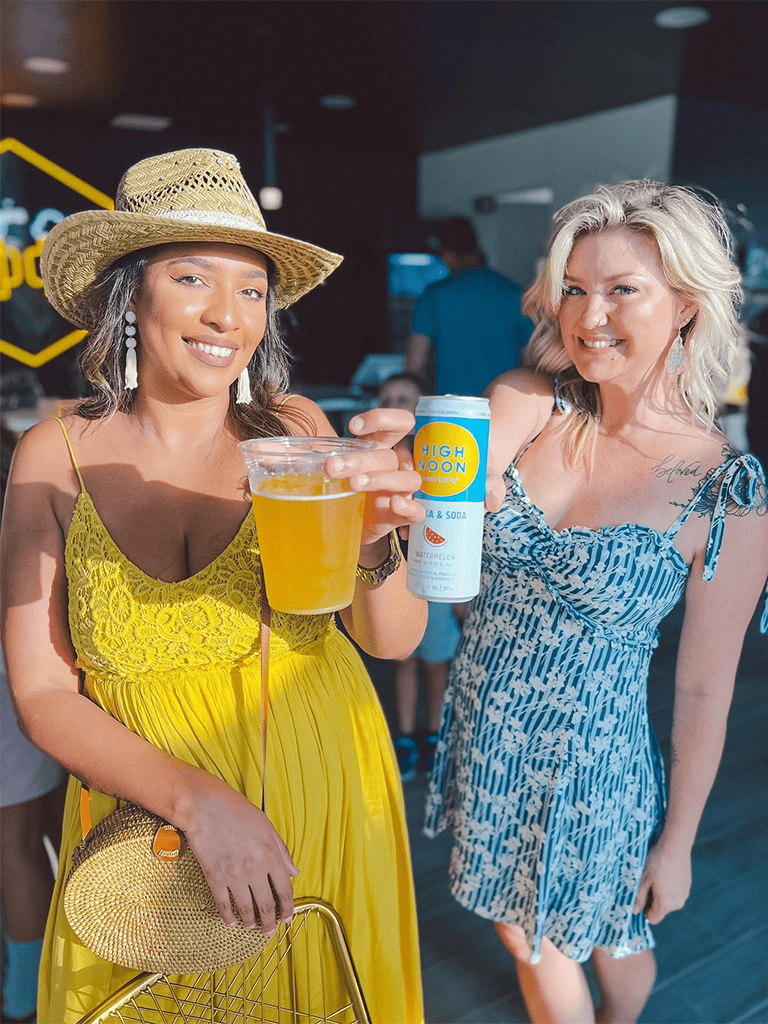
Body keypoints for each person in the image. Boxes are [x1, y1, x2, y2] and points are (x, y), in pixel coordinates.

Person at [0, 148, 427, 1024]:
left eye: (252, 289)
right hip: (144, 835)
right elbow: (41, 693)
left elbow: (393, 639)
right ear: (130, 294)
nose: (227, 314)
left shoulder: (295, 432)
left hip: (318, 795)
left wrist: (377, 540)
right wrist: (198, 803)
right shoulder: (53, 455)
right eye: (192, 276)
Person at [424, 180, 768, 1024]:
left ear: (686, 304)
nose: (589, 316)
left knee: (577, 933)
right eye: (574, 289)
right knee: (563, 930)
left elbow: (703, 689)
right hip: (487, 727)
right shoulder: (529, 405)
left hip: (592, 764)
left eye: (623, 290)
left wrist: (677, 844)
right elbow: (438, 502)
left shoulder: (725, 490)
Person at [1, 426, 67, 1024]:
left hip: (14, 679)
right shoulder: (25, 457)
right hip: (30, 670)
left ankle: (26, 994)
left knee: (20, 841)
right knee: (35, 834)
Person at [376, 373, 461, 781]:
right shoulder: (375, 460)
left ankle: (434, 734)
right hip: (397, 575)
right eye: (387, 398)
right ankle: (407, 737)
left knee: (436, 663)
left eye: (404, 399)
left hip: (437, 578)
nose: (395, 405)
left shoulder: (437, 461)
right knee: (405, 662)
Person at [405, 216, 531, 397]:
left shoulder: (434, 296)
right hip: (502, 402)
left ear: (447, 254)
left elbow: (414, 365)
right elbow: (531, 361)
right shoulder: (516, 294)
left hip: (449, 406)